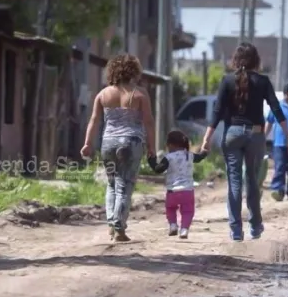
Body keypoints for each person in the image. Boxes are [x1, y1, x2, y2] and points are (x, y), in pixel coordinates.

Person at [200, 42, 288, 241]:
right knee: (252, 179)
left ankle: (236, 230)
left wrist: (206, 139)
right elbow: (276, 109)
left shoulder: (227, 81)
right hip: (256, 134)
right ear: (256, 60)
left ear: (236, 60)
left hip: (232, 134)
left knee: (234, 182)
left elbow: (217, 112)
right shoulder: (263, 81)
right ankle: (255, 226)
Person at [81, 54, 155, 242]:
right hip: (131, 142)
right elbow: (149, 122)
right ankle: (119, 229)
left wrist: (88, 143)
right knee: (125, 186)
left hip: (108, 143)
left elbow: (94, 120)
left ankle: (111, 225)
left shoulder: (103, 94)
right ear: (134, 72)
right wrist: (152, 147)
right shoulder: (140, 94)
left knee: (112, 184)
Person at [148, 130, 207, 239]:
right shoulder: (189, 155)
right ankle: (184, 229)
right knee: (188, 211)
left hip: (172, 192)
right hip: (187, 191)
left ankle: (173, 225)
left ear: (170, 145)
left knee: (170, 209)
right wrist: (204, 152)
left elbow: (158, 169)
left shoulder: (169, 157)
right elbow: (199, 158)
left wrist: (151, 159)